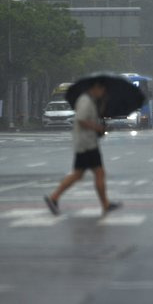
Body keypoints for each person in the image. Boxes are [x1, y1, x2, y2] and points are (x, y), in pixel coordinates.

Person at [44, 81, 122, 216]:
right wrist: (99, 128)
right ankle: (105, 204)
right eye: (102, 90)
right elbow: (81, 120)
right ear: (95, 87)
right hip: (87, 144)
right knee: (98, 173)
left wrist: (101, 128)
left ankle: (54, 198)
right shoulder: (85, 100)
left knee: (79, 174)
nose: (103, 93)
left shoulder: (90, 101)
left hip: (86, 142)